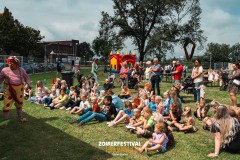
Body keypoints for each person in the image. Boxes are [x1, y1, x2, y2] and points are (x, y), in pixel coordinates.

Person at [0, 56, 30, 122]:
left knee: (19, 104)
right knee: (6, 105)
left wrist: (27, 84)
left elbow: (27, 77)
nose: (10, 64)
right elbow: (0, 79)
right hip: (8, 90)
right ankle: (5, 120)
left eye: (12, 63)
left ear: (16, 63)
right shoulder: (4, 70)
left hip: (19, 90)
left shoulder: (21, 70)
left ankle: (20, 118)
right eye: (9, 62)